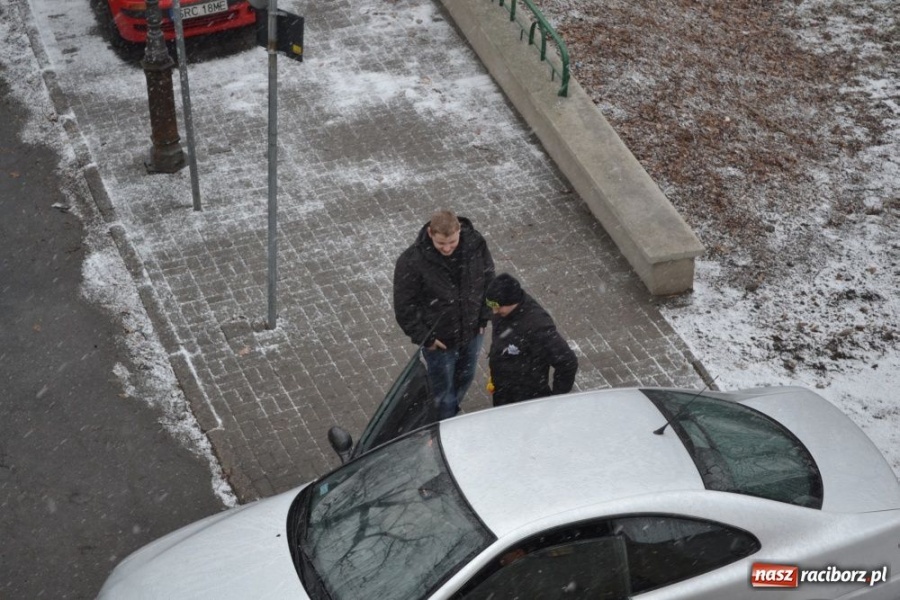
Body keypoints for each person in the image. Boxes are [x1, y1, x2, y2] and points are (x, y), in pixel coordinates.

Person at [393, 210, 495, 419]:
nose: (447, 248)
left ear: (459, 230)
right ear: (430, 233)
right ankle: (442, 424)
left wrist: (483, 316)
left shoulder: (475, 245)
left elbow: (488, 278)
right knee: (442, 391)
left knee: (466, 377)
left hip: (472, 331)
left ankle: (450, 414)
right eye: (441, 244)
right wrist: (426, 338)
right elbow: (404, 306)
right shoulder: (411, 261)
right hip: (439, 341)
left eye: (452, 242)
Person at [485, 273, 578, 406]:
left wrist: (556, 399)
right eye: (492, 306)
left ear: (513, 301)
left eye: (498, 307)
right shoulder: (504, 310)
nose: (494, 312)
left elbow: (567, 361)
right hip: (503, 391)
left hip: (527, 399)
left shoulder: (536, 326)